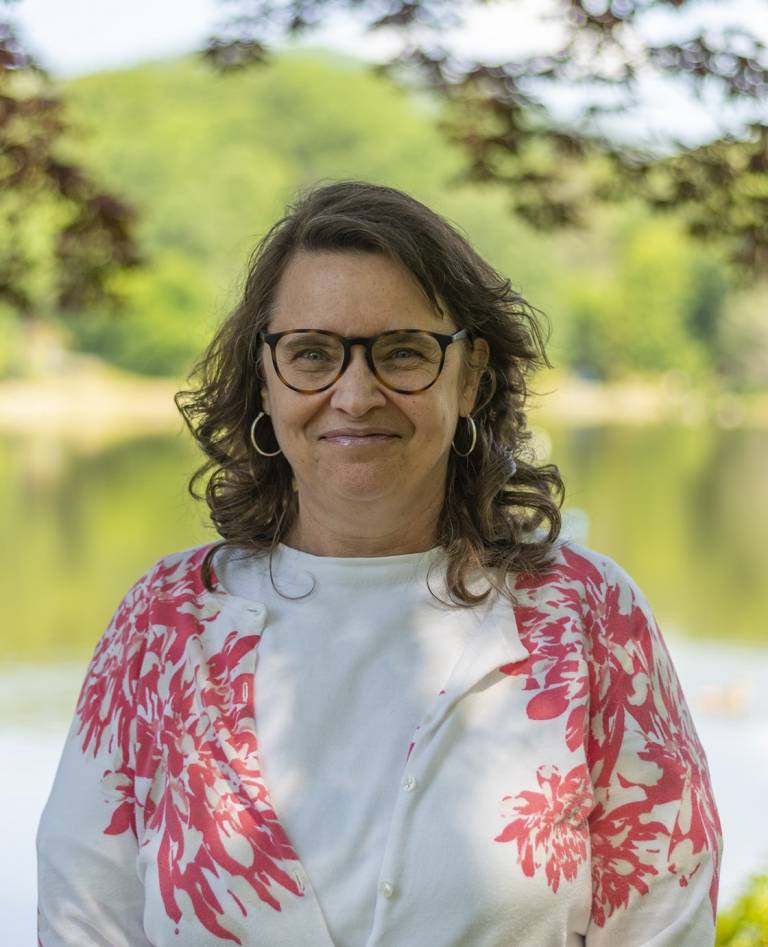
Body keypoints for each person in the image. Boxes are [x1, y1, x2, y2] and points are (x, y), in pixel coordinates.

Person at [37, 180, 722, 947]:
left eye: (403, 352)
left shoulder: (587, 614)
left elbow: (663, 920)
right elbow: (83, 918)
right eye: (311, 353)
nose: (355, 394)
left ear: (471, 376)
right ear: (264, 377)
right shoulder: (165, 621)